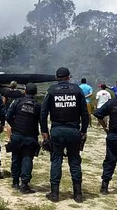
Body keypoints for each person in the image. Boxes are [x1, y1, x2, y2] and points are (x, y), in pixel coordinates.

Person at [40, 67, 89, 203]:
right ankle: (78, 194)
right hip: (74, 131)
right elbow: (85, 113)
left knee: (56, 161)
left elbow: (43, 113)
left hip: (57, 130)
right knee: (74, 161)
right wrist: (84, 131)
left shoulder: (51, 90)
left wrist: (44, 131)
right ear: (69, 77)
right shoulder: (77, 90)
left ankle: (55, 194)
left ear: (57, 78)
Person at [5, 82, 41, 194]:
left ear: (25, 91)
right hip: (30, 136)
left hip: (17, 135)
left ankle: (15, 182)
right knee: (27, 159)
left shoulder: (17, 102)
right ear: (35, 93)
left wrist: (14, 126)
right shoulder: (38, 105)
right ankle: (24, 184)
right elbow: (42, 121)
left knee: (16, 158)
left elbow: (8, 116)